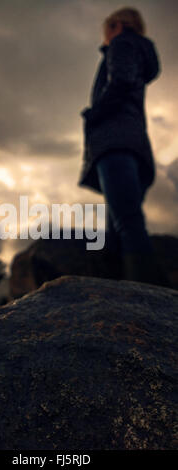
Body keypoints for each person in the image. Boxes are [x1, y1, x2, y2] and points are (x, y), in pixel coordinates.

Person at [78, 7, 169, 285]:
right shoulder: (138, 51)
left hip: (115, 143)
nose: (104, 37)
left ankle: (141, 299)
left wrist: (94, 114)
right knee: (121, 224)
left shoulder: (122, 43)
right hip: (134, 145)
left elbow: (121, 81)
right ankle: (121, 295)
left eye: (106, 29)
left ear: (116, 25)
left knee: (126, 223)